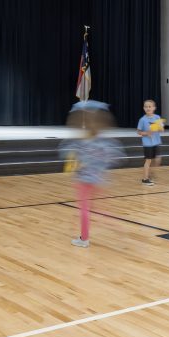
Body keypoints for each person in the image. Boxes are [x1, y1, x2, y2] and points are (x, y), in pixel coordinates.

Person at [59, 101, 122, 248]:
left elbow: (66, 151)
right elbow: (115, 155)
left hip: (83, 180)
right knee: (100, 207)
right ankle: (114, 226)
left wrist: (76, 160)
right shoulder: (103, 142)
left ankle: (84, 238)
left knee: (85, 209)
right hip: (99, 178)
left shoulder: (81, 142)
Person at [136, 99, 164, 186]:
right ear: (144, 108)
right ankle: (145, 179)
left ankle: (150, 173)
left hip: (156, 142)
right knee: (148, 161)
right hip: (147, 143)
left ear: (154, 108)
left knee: (158, 160)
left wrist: (159, 127)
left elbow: (162, 130)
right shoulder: (142, 120)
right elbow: (139, 132)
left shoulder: (157, 117)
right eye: (146, 106)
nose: (148, 108)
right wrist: (146, 133)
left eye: (150, 106)